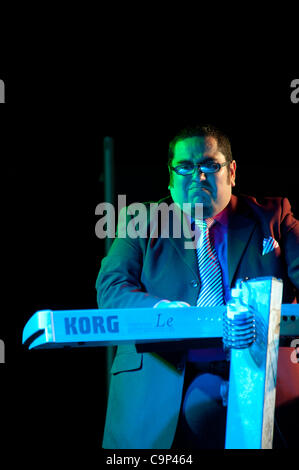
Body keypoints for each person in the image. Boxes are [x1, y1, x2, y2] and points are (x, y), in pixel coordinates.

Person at [96, 125, 299, 449]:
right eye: (185, 167)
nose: (198, 177)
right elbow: (111, 288)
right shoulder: (141, 220)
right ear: (170, 176)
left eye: (209, 165)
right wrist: (162, 314)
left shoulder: (273, 216)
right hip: (157, 387)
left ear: (231, 171)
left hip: (257, 383)